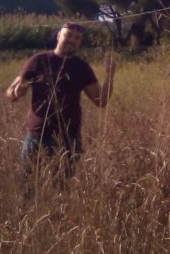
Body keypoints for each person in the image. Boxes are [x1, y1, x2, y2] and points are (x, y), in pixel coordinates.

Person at [6, 22, 115, 193]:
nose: (72, 40)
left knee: (62, 192)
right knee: (28, 191)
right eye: (68, 35)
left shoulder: (82, 67)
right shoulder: (39, 60)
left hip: (69, 139)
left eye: (77, 38)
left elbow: (100, 101)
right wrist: (18, 91)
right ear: (58, 36)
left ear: (80, 42)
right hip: (38, 136)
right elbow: (11, 94)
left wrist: (110, 75)